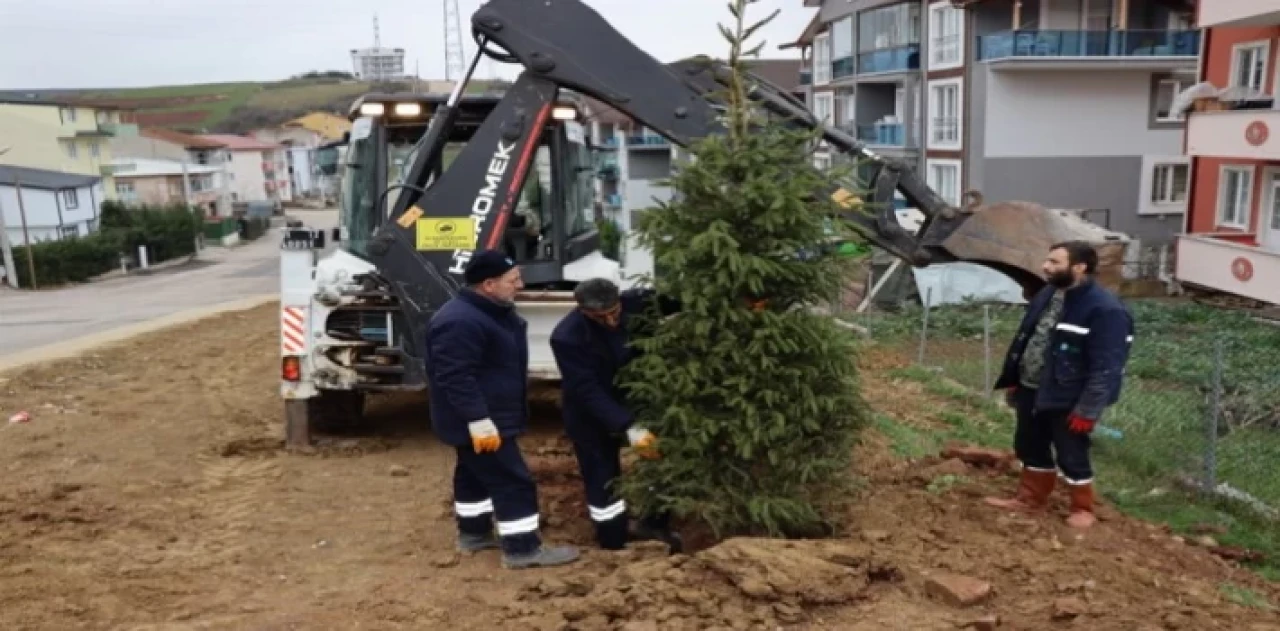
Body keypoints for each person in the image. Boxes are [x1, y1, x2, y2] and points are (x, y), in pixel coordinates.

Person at [425, 249, 580, 569]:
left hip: (489, 415)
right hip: (482, 420)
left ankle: (474, 533)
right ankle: (523, 549)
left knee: (473, 474)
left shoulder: (492, 312)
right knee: (513, 479)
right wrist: (478, 420)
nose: (520, 285)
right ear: (489, 284)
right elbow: (456, 376)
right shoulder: (459, 322)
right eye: (513, 280)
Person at [985, 241, 1134, 529]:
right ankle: (1030, 498)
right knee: (1029, 443)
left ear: (1079, 267)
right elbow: (1030, 338)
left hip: (1069, 394)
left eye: (1055, 262)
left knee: (1071, 451)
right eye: (1047, 261)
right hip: (1032, 387)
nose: (1045, 266)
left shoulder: (1105, 309)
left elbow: (1108, 366)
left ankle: (1082, 507)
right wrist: (1017, 378)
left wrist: (1088, 409)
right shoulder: (1049, 294)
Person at [550, 278, 683, 553]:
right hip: (591, 415)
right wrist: (628, 426)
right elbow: (587, 391)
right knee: (602, 477)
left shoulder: (639, 303)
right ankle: (612, 540)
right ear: (583, 311)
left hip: (639, 402)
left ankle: (655, 523)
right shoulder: (567, 336)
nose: (611, 321)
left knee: (661, 463)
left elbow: (686, 298)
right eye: (600, 317)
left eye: (614, 312)